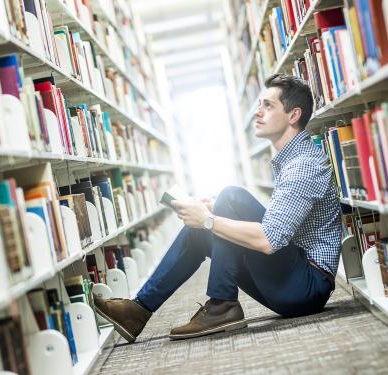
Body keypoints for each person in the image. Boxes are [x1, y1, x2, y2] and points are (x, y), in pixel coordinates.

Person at [93, 73, 343, 343]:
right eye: (259, 104)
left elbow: (270, 240)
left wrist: (210, 219)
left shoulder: (303, 165)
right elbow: (282, 222)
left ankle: (222, 305)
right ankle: (138, 311)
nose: (258, 112)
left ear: (294, 115)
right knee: (206, 225)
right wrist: (213, 215)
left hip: (307, 287)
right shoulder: (290, 159)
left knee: (231, 198)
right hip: (294, 278)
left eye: (268, 106)